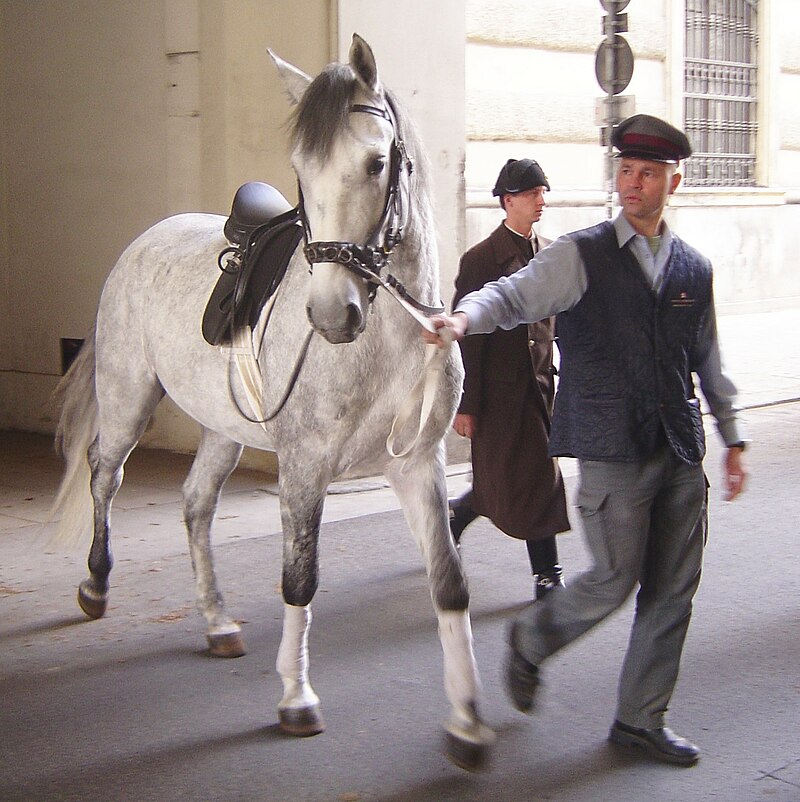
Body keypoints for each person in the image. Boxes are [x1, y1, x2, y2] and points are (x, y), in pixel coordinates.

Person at [424, 114, 748, 766]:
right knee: (613, 578)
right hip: (610, 447)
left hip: (680, 447)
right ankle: (531, 639)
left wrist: (732, 435)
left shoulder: (693, 268)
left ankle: (639, 719)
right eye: (625, 169)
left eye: (646, 173)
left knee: (673, 590)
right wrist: (462, 319)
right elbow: (512, 295)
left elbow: (706, 357)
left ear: (672, 181)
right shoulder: (580, 254)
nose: (631, 182)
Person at [449, 158, 570, 600]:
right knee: (509, 477)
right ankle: (546, 571)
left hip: (539, 389)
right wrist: (467, 404)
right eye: (533, 193)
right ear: (508, 201)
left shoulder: (553, 253)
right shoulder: (481, 260)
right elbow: (470, 342)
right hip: (499, 394)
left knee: (532, 476)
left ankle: (542, 569)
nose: (542, 201)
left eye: (543, 193)